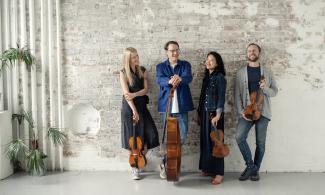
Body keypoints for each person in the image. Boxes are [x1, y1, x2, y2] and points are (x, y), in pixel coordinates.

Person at [235, 43, 278, 181]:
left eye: (254, 50)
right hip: (247, 112)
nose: (251, 52)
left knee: (260, 143)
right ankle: (250, 165)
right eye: (249, 50)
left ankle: (255, 170)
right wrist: (241, 111)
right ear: (247, 54)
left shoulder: (268, 72)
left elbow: (274, 92)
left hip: (263, 111)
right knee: (239, 137)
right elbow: (236, 94)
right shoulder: (241, 73)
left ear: (259, 52)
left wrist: (265, 88)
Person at [156, 41, 194, 179]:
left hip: (182, 107)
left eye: (177, 50)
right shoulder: (160, 66)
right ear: (166, 52)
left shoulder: (185, 65)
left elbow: (188, 77)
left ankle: (170, 163)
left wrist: (180, 78)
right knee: (168, 139)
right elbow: (159, 80)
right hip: (166, 107)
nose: (175, 53)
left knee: (182, 137)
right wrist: (170, 80)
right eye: (172, 50)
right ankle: (167, 166)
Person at [119, 47, 159, 180]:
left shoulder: (143, 70)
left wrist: (135, 94)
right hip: (129, 109)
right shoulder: (123, 73)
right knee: (132, 139)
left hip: (142, 106)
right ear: (128, 59)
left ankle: (140, 158)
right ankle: (135, 167)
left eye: (137, 56)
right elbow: (126, 95)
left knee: (152, 135)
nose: (137, 58)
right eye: (133, 57)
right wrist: (134, 111)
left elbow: (145, 90)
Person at [197, 51, 227, 185]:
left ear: (217, 63)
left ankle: (219, 173)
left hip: (215, 114)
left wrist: (218, 115)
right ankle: (208, 168)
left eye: (212, 60)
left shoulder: (220, 77)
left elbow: (221, 97)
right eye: (207, 59)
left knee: (217, 143)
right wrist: (199, 113)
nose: (208, 62)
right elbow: (202, 98)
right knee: (206, 141)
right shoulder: (206, 77)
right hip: (205, 113)